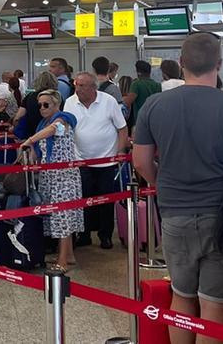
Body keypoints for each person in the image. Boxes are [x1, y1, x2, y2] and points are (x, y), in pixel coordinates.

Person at [134, 33, 223, 338]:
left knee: (182, 296)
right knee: (215, 306)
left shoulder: (154, 105)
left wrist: (161, 183)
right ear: (220, 63)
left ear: (180, 63)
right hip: (222, 216)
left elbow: (140, 161)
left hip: (174, 212)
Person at [20, 89, 83, 273]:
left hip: (63, 177)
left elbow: (54, 130)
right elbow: (41, 147)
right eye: (39, 105)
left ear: (56, 104)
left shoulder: (64, 119)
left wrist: (30, 140)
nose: (42, 108)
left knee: (63, 218)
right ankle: (68, 254)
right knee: (59, 217)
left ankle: (62, 260)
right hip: (50, 176)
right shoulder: (42, 124)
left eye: (46, 104)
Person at [65, 72, 127, 250]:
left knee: (106, 201)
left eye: (82, 86)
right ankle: (84, 235)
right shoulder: (70, 102)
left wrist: (121, 151)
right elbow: (67, 127)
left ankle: (105, 235)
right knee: (83, 199)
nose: (77, 89)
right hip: (81, 160)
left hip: (106, 161)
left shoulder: (108, 101)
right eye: (76, 85)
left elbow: (122, 128)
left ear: (93, 87)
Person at [14, 71, 58, 139]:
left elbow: (17, 118)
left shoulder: (30, 97)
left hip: (31, 135)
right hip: (52, 135)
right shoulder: (57, 97)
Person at [124, 60, 160, 131]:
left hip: (141, 122)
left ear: (138, 72)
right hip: (155, 121)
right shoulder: (157, 85)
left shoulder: (136, 84)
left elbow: (128, 102)